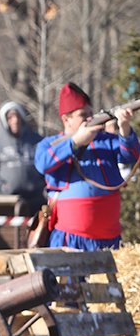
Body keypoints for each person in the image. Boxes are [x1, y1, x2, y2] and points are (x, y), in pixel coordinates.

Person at [35, 82, 138, 250]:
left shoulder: (106, 140)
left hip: (109, 239)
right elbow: (42, 163)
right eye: (83, 114)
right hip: (70, 240)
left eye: (91, 113)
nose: (90, 118)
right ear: (66, 119)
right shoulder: (50, 144)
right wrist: (75, 142)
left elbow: (130, 156)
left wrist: (124, 126)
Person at [0, 101, 45, 209]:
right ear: (4, 121)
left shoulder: (37, 140)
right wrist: (1, 187)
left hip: (36, 200)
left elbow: (48, 164)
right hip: (8, 201)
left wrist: (42, 184)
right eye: (10, 118)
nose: (15, 121)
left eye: (17, 116)